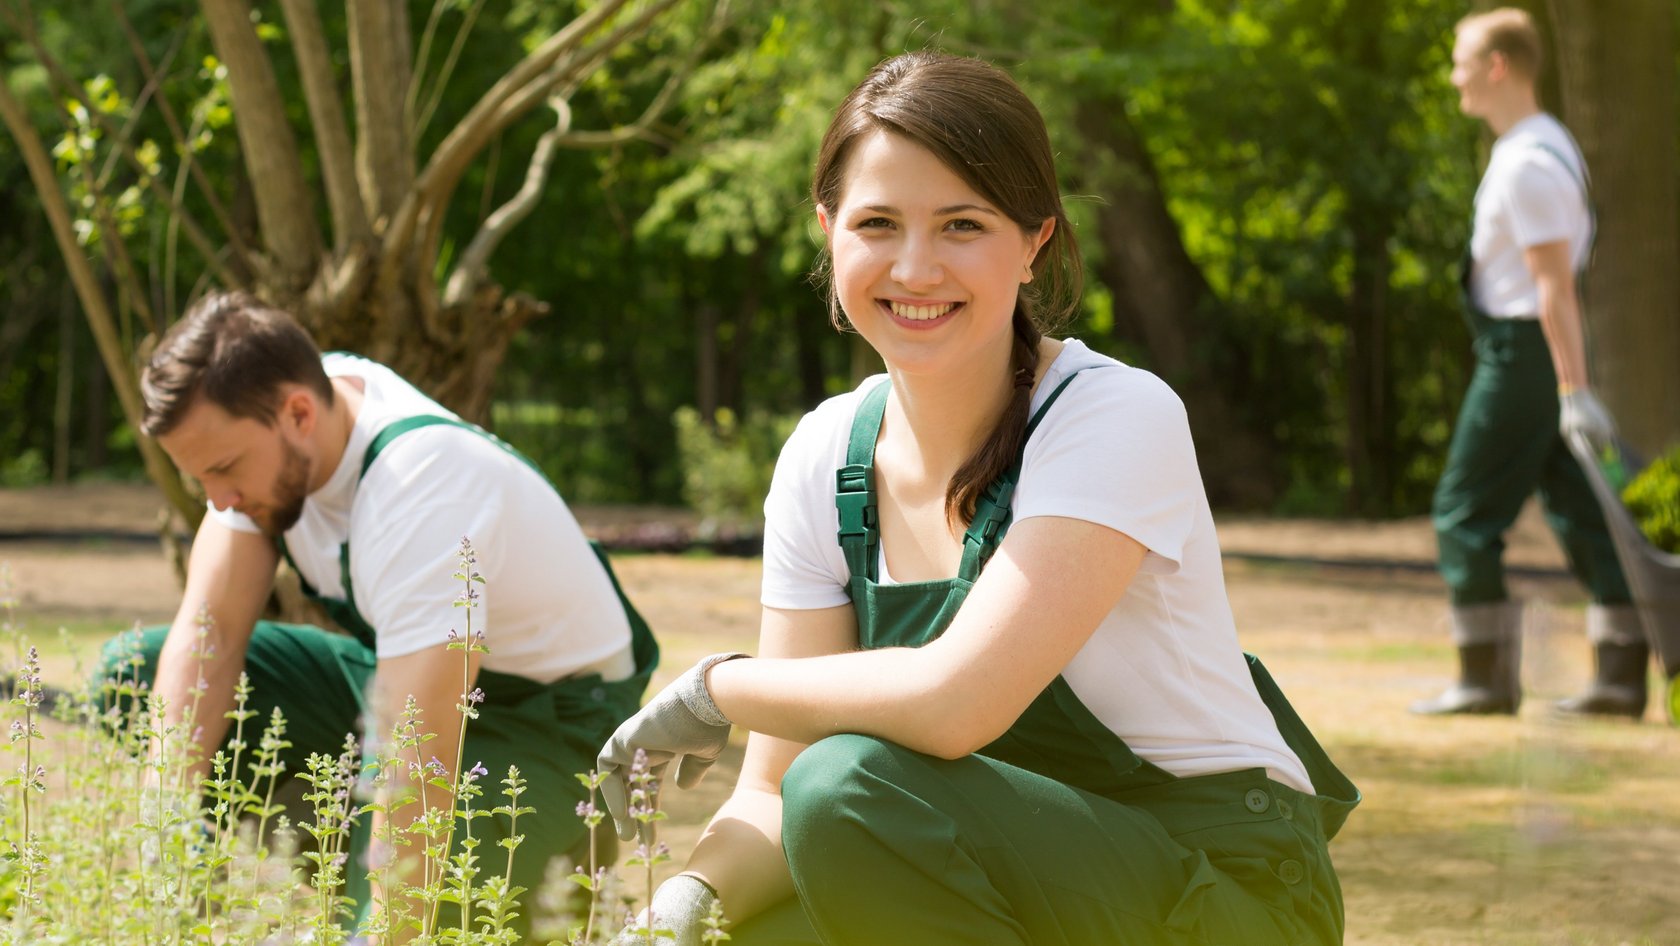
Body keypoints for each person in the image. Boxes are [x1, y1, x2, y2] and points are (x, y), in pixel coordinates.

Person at [594, 51, 1360, 946]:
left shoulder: (1111, 415)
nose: (915, 268)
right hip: (980, 866)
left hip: (1225, 891)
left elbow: (955, 704)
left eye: (962, 225)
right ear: (829, 231)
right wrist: (679, 910)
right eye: (877, 222)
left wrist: (715, 690)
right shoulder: (824, 457)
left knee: (847, 788)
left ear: (1035, 241)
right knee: (756, 926)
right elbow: (772, 786)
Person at [95, 292, 657, 936]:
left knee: (445, 893)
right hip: (409, 673)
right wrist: (164, 836)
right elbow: (209, 639)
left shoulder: (423, 489)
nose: (217, 500)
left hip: (555, 720)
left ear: (299, 413)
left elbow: (415, 751)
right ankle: (334, 836)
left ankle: (558, 859)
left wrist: (382, 927)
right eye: (200, 480)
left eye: (224, 470)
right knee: (129, 676)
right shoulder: (276, 415)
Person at [1413, 8, 1646, 719]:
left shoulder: (1526, 163)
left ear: (1497, 66)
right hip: (1537, 356)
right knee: (1582, 513)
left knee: (1463, 513)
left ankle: (1484, 679)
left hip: (1523, 356)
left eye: (1461, 61)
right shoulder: (1550, 146)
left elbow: (1553, 289)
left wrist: (1571, 389)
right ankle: (1621, 677)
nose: (1452, 76)